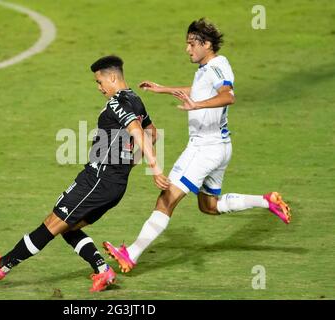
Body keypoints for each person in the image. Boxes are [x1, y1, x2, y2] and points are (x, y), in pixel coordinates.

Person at [103, 18, 291, 273]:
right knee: (209, 206)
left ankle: (131, 254)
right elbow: (199, 90)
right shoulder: (208, 69)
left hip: (203, 148)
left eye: (192, 44)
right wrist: (164, 89)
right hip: (221, 147)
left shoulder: (217, 66)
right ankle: (267, 201)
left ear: (207, 44)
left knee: (166, 198)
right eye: (187, 44)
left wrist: (196, 106)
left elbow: (228, 96)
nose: (187, 49)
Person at [0, 55, 170, 292]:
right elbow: (154, 134)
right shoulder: (135, 99)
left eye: (100, 82)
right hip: (113, 183)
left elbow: (139, 132)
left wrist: (155, 168)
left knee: (53, 223)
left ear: (113, 77)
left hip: (98, 180)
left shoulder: (118, 102)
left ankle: (2, 265)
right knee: (69, 228)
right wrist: (129, 165)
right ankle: (102, 270)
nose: (99, 88)